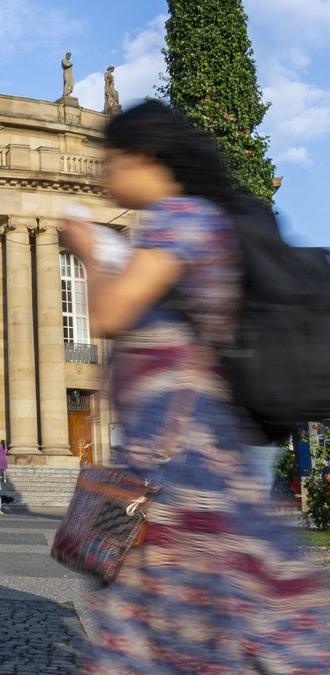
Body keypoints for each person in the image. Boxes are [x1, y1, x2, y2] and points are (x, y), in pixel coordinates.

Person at [61, 100, 330, 672]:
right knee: (190, 607)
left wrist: (86, 251)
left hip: (179, 460)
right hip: (173, 453)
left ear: (148, 156)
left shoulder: (179, 217)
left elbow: (111, 313)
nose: (103, 173)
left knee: (182, 607)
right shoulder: (194, 220)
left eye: (111, 159)